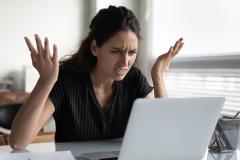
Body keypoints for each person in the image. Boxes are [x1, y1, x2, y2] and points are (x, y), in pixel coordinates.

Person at [9, 5, 184, 149]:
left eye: (132, 52)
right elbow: (18, 142)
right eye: (116, 51)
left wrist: (158, 76)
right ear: (95, 48)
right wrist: (45, 81)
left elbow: (165, 134)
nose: (126, 62)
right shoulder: (67, 80)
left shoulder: (134, 79)